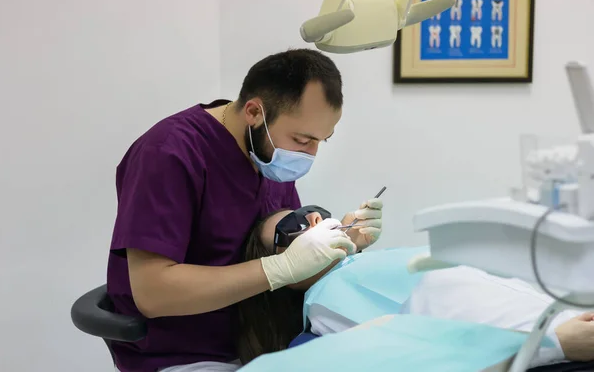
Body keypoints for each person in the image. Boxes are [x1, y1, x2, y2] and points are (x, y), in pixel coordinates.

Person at [106, 48, 384, 372]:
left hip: (262, 344)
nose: (311, 154)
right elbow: (153, 294)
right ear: (254, 112)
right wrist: (279, 268)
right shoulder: (169, 154)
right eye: (302, 139)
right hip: (183, 356)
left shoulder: (267, 159)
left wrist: (341, 244)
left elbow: (288, 271)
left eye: (322, 140)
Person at [242, 206, 594, 368]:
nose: (314, 219)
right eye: (292, 227)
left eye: (311, 211)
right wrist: (554, 344)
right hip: (554, 343)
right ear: (280, 270)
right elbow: (427, 349)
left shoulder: (368, 263)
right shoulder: (325, 303)